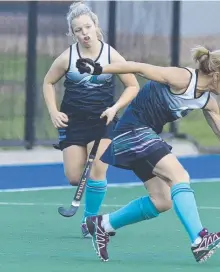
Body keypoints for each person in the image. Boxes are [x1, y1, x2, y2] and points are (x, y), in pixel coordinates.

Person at [75, 46, 220, 263]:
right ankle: (199, 239)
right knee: (180, 176)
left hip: (143, 137)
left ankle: (102, 224)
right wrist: (100, 68)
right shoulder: (183, 78)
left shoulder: (207, 101)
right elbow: (140, 68)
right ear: (216, 76)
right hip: (133, 132)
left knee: (162, 200)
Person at [42, 2, 140, 238]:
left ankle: (90, 222)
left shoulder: (110, 55)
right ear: (72, 33)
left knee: (96, 170)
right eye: (78, 30)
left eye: (88, 27)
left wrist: (115, 107)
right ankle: (90, 216)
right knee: (75, 177)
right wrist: (54, 112)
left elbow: (133, 85)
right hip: (74, 122)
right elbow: (47, 82)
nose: (85, 33)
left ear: (96, 27)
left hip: (102, 121)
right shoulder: (67, 57)